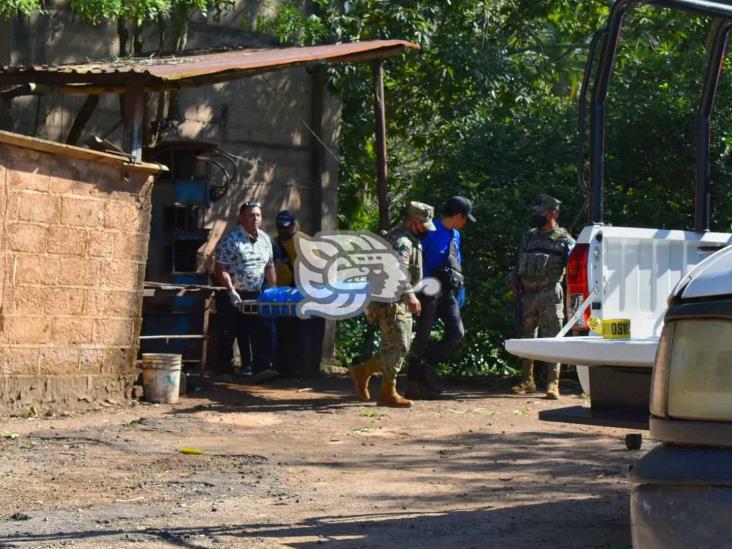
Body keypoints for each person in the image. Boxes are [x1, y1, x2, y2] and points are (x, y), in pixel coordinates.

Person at [349, 202, 437, 408]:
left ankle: (363, 371)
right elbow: (398, 272)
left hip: (391, 300)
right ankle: (387, 392)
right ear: (412, 221)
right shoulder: (403, 241)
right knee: (399, 346)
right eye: (423, 224)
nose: (425, 229)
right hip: (392, 301)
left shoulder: (406, 238)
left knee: (394, 346)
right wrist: (410, 296)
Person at [406, 196, 475, 400]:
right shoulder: (431, 230)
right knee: (423, 335)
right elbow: (418, 258)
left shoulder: (456, 234)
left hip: (448, 290)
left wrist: (461, 286)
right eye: (465, 219)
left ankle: (428, 368)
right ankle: (413, 382)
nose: (465, 223)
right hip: (429, 287)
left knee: (457, 332)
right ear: (457, 215)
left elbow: (457, 260)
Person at [510, 193, 575, 399]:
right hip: (528, 294)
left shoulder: (565, 240)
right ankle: (527, 380)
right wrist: (514, 279)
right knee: (527, 337)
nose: (537, 215)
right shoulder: (529, 236)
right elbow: (519, 261)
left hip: (550, 294)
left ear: (553, 213)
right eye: (536, 212)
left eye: (541, 212)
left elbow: (573, 272)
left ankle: (552, 384)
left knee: (552, 339)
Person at [214, 200, 278, 383]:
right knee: (229, 331)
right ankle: (224, 370)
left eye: (258, 215)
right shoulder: (231, 239)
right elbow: (221, 268)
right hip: (233, 294)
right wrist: (231, 290)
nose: (255, 219)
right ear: (242, 218)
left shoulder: (266, 240)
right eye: (251, 215)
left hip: (256, 294)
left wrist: (272, 290)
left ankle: (262, 369)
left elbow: (270, 267)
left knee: (260, 330)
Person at [272, 210, 304, 287]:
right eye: (279, 227)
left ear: (293, 225)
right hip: (279, 290)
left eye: (285, 227)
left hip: (299, 289)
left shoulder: (304, 242)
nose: (282, 230)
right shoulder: (273, 243)